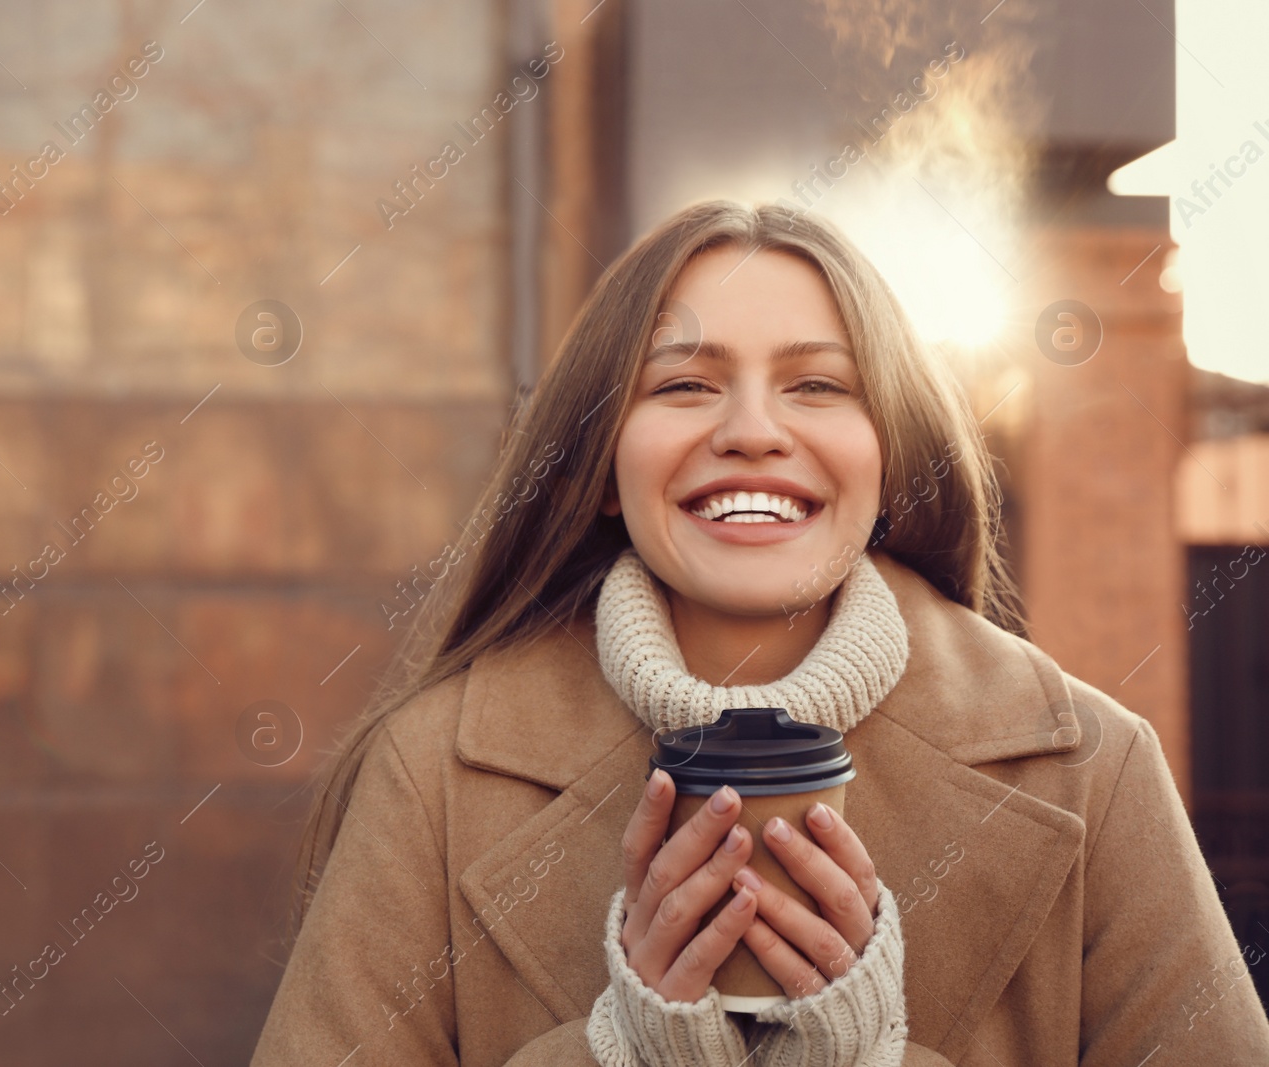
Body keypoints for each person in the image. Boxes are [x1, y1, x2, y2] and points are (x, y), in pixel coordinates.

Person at [249, 201, 1269, 1065]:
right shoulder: (433, 773)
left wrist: (867, 1049)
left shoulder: (1093, 770)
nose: (750, 428)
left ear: (886, 455)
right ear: (601, 468)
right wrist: (626, 1046)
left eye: (817, 384)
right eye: (683, 383)